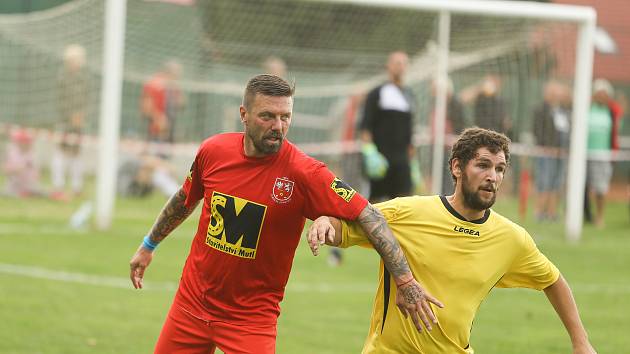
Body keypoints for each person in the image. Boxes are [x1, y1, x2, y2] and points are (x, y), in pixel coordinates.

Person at [129, 75, 441, 354]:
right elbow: (185, 198)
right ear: (244, 115)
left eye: (285, 117)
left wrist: (405, 281)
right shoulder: (213, 151)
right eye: (267, 116)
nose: (278, 126)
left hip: (250, 319)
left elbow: (369, 215)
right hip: (191, 306)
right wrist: (148, 245)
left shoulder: (305, 173)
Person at [308, 128, 596, 354]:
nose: (492, 177)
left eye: (499, 169)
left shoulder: (512, 239)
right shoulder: (408, 212)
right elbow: (348, 225)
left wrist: (580, 342)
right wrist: (326, 222)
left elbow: (553, 280)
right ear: (457, 168)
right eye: (483, 165)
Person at [359, 51, 415, 203]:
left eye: (404, 63)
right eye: (397, 63)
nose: (401, 67)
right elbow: (365, 127)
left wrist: (412, 158)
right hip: (380, 160)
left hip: (402, 161)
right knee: (376, 202)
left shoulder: (409, 95)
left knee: (404, 201)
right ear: (388, 66)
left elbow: (409, 129)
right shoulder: (376, 93)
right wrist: (370, 153)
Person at [51, 44, 89, 199]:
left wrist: (82, 116)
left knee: (77, 153)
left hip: (79, 122)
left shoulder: (83, 79)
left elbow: (86, 99)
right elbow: (60, 101)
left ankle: (76, 187)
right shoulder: (62, 78)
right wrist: (71, 117)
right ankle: (58, 186)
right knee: (61, 152)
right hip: (64, 122)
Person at [585, 79, 622, 227]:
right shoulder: (587, 108)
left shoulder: (611, 111)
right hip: (585, 155)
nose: (601, 96)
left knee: (600, 189)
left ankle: (600, 218)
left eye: (604, 94)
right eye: (598, 93)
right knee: (582, 189)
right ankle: (585, 216)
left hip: (603, 156)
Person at [532, 80, 571, 222]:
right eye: (553, 93)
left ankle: (551, 212)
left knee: (556, 183)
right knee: (544, 182)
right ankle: (538, 212)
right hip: (546, 153)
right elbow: (537, 130)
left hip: (561, 154)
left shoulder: (563, 111)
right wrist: (548, 147)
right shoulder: (540, 109)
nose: (556, 95)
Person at [429, 76, 466, 195]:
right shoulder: (436, 104)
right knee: (437, 178)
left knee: (449, 179)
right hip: (436, 146)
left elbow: (460, 127)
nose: (433, 93)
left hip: (450, 148)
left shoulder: (455, 105)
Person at [141, 60, 185, 144]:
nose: (178, 77)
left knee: (165, 152)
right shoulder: (155, 82)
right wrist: (158, 117)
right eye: (177, 73)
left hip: (168, 128)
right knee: (154, 152)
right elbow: (146, 105)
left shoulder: (173, 85)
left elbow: (181, 103)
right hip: (155, 128)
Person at [3, 129, 44, 197]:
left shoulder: (32, 154)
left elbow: (37, 173)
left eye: (28, 142)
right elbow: (6, 170)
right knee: (10, 193)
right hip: (15, 183)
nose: (26, 144)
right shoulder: (11, 153)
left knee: (37, 191)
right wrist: (18, 169)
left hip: (29, 183)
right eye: (23, 142)